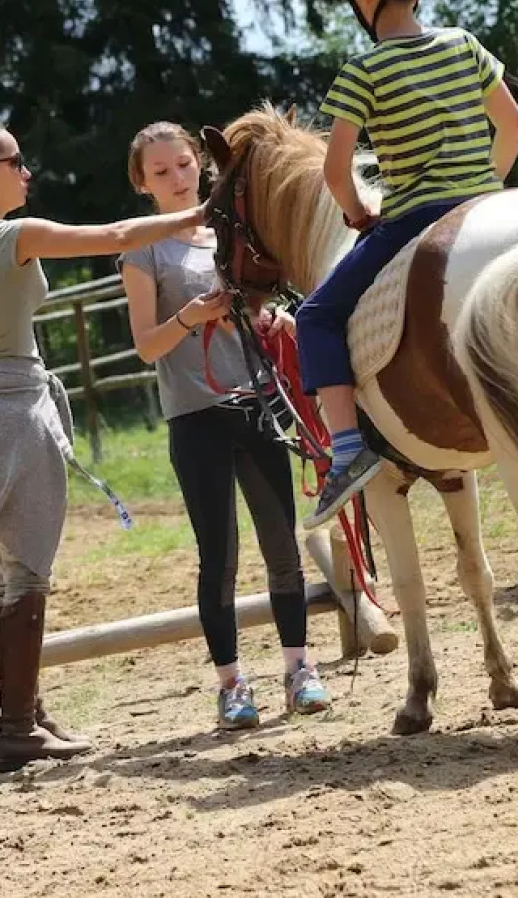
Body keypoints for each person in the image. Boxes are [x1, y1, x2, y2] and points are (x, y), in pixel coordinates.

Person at [0, 114, 205, 773]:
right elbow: (114, 236)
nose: (26, 173)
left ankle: (26, 714)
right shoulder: (11, 237)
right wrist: (198, 215)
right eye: (15, 162)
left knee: (6, 573)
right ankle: (16, 729)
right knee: (27, 573)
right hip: (14, 419)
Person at [295, 0, 518, 528]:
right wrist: (486, 187)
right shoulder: (465, 45)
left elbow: (336, 171)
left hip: (414, 217)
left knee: (315, 316)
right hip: (486, 202)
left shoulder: (362, 72)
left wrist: (357, 213)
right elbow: (512, 126)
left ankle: (348, 452)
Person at [117, 122, 332, 730]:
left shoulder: (231, 230)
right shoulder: (142, 250)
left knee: (281, 544)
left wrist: (277, 321)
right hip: (195, 416)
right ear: (143, 184)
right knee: (220, 556)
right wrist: (191, 315)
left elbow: (262, 299)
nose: (178, 178)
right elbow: (146, 346)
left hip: (256, 403)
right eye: (161, 172)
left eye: (184, 164)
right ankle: (232, 684)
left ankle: (300, 670)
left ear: (201, 164)